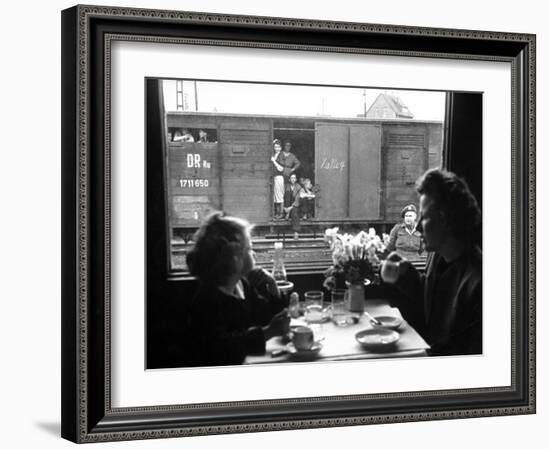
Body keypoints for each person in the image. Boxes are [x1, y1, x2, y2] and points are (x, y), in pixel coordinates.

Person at [380, 169, 482, 356]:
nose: (418, 226)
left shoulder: (479, 284)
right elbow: (432, 310)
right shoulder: (439, 257)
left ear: (444, 220)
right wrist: (405, 273)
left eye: (424, 217)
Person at [185, 212, 289, 366]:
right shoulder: (207, 300)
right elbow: (222, 349)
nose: (254, 254)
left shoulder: (241, 285)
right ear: (233, 257)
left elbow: (265, 316)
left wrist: (272, 285)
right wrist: (268, 332)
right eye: (249, 249)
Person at [283, 173, 303, 239]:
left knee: (295, 214)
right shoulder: (286, 186)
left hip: (295, 206)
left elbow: (297, 199)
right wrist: (284, 207)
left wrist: (290, 208)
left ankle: (296, 232)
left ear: (296, 179)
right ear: (289, 179)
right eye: (292, 178)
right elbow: (283, 197)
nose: (293, 179)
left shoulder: (298, 187)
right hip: (287, 205)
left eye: (294, 178)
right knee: (287, 193)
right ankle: (287, 212)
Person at [270, 139, 285, 219]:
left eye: (278, 147)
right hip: (275, 177)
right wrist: (273, 141)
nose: (276, 148)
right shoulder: (275, 154)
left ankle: (281, 214)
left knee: (279, 195)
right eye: (275, 147)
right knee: (276, 196)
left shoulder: (281, 155)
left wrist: (274, 161)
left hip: (279, 177)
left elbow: (281, 169)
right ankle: (277, 213)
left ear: (281, 148)